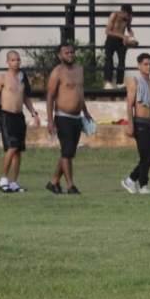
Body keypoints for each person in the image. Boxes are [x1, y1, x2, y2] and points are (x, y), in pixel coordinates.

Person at [45, 41, 93, 195]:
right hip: (63, 117)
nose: (70, 55)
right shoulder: (57, 72)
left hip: (77, 117)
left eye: (72, 52)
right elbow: (50, 97)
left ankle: (53, 182)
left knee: (69, 152)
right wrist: (50, 121)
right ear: (60, 55)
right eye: (66, 53)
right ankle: (70, 186)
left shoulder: (79, 70)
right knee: (67, 153)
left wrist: (85, 111)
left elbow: (79, 93)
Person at [0, 50, 39, 193]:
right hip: (6, 116)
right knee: (11, 148)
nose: (16, 62)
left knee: (18, 150)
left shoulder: (22, 76)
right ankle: (3, 179)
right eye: (13, 60)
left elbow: (25, 98)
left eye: (18, 60)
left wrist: (33, 113)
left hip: (19, 116)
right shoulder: (1, 77)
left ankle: (13, 182)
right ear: (7, 62)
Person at [121, 52, 150, 194]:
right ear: (139, 66)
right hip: (139, 122)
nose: (149, 67)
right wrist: (130, 124)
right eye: (145, 64)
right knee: (146, 156)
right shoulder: (134, 81)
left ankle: (130, 180)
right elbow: (130, 105)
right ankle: (143, 185)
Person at [102, 4, 134, 89]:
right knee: (109, 60)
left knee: (122, 61)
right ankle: (108, 82)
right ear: (122, 12)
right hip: (111, 39)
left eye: (129, 15)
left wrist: (132, 36)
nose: (127, 17)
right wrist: (123, 36)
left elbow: (129, 28)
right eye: (126, 14)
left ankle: (120, 82)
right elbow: (107, 31)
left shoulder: (129, 17)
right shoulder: (114, 15)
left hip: (121, 41)